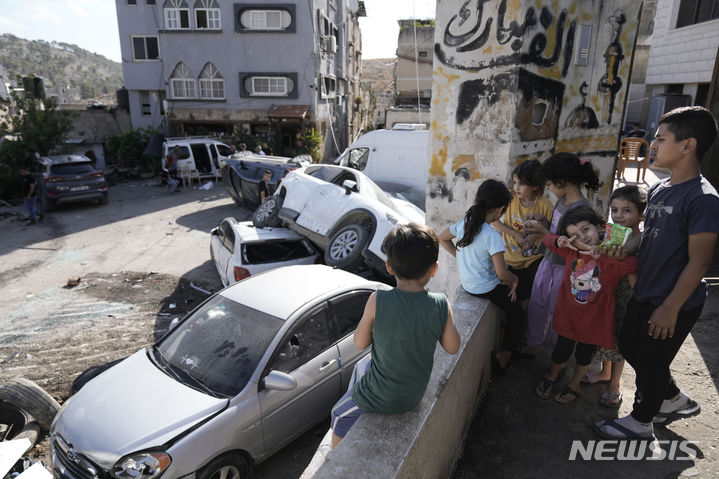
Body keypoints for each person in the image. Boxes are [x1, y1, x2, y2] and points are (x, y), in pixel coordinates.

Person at [595, 106, 719, 440]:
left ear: (687, 145)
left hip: (672, 300)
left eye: (661, 139)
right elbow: (648, 234)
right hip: (646, 291)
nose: (652, 144)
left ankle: (641, 421)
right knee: (633, 348)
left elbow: (699, 263)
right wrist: (628, 248)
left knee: (650, 360)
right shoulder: (662, 189)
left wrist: (670, 307)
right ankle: (673, 398)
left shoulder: (703, 198)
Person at [330, 223, 460, 448]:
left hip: (386, 397)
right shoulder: (441, 303)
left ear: (389, 267)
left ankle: (333, 463)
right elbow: (452, 347)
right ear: (434, 269)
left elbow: (360, 343)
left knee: (338, 414)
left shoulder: (377, 300)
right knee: (363, 366)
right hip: (414, 394)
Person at [535, 205, 638, 404]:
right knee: (560, 353)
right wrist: (560, 240)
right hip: (567, 320)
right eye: (574, 235)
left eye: (585, 229)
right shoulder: (571, 253)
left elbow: (635, 264)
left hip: (594, 325)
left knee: (584, 358)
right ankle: (552, 375)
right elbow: (548, 241)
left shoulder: (612, 261)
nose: (582, 237)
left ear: (600, 228)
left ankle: (574, 384)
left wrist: (619, 253)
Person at [518, 153, 600, 358]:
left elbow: (575, 244)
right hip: (548, 261)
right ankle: (533, 343)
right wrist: (542, 222)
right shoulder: (561, 201)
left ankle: (558, 355)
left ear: (561, 182)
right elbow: (556, 229)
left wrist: (542, 232)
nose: (550, 190)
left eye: (550, 185)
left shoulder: (582, 209)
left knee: (558, 312)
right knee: (538, 304)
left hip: (566, 269)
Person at [438, 179, 522, 372]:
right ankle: (504, 356)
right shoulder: (492, 236)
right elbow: (502, 274)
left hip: (468, 285)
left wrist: (460, 257)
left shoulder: (465, 223)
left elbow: (442, 238)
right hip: (486, 288)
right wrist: (514, 280)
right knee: (517, 314)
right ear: (500, 210)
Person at [582, 186, 645, 408]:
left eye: (626, 211)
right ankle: (604, 373)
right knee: (606, 334)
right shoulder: (612, 236)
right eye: (615, 210)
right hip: (609, 292)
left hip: (628, 296)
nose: (619, 216)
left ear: (641, 215)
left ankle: (614, 385)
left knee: (621, 339)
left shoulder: (641, 240)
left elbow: (635, 271)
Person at [491, 160, 553, 302]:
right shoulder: (510, 197)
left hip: (534, 261)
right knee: (510, 298)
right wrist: (514, 233)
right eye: (514, 183)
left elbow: (552, 232)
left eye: (521, 184)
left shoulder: (545, 205)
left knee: (528, 296)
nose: (516, 187)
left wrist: (535, 235)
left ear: (536, 186)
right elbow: (492, 219)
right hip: (509, 260)